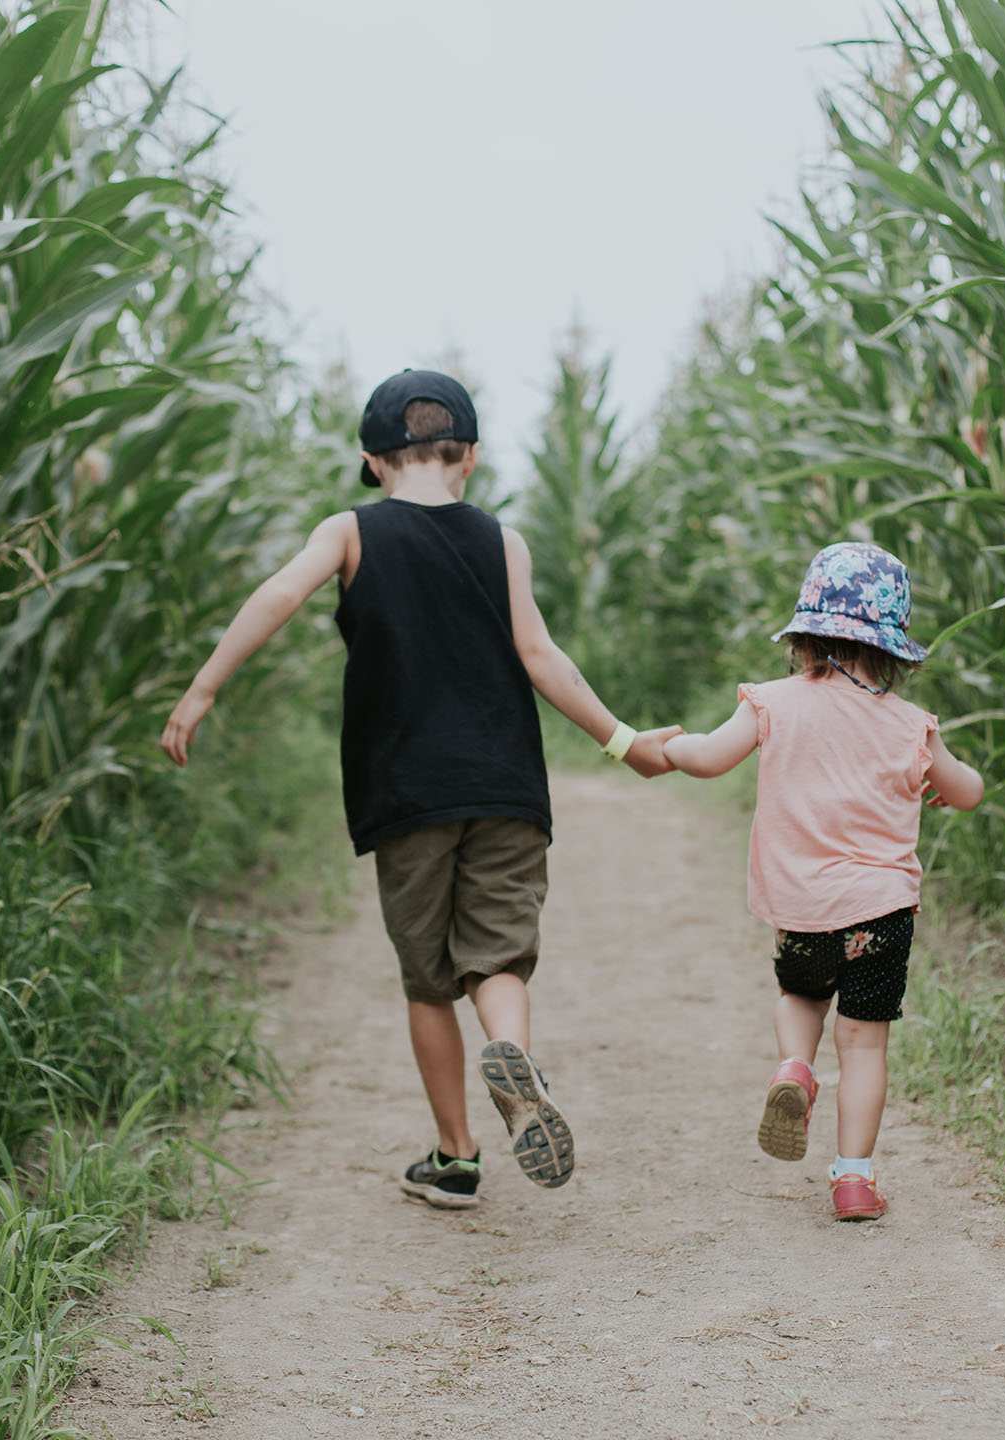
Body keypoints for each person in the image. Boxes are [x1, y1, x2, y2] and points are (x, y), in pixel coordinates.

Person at [160, 369, 679, 1209]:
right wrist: (624, 742)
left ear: (373, 461)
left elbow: (279, 593)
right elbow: (543, 657)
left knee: (428, 979)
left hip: (406, 792)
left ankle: (457, 1156)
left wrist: (204, 686)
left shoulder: (350, 532)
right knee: (499, 953)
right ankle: (514, 1057)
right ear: (468, 456)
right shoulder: (502, 541)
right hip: (507, 787)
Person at [660, 542, 983, 1221]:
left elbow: (709, 759)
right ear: (891, 648)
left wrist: (672, 745)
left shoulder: (771, 703)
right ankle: (855, 1180)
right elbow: (969, 791)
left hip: (803, 907)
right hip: (882, 914)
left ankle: (794, 1070)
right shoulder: (910, 725)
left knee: (800, 997)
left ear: (805, 637)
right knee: (865, 1041)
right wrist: (942, 784)